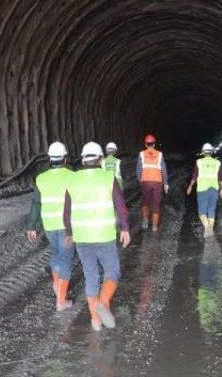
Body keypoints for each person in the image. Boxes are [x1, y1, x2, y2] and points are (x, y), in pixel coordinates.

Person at [65, 142, 131, 331]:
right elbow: (120, 206)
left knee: (91, 276)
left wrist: (69, 233)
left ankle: (95, 321)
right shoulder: (108, 177)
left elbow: (66, 211)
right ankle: (103, 302)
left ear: (83, 159)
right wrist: (125, 228)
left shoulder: (72, 179)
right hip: (104, 235)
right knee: (112, 272)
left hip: (83, 238)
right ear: (101, 159)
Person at [26, 141, 75, 311]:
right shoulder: (71, 176)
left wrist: (32, 226)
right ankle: (61, 301)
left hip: (49, 225)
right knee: (67, 259)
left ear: (49, 158)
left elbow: (36, 203)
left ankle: (56, 284)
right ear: (64, 158)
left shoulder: (41, 178)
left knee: (56, 253)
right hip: (66, 225)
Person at [186, 143, 222, 237]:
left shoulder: (199, 162)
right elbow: (220, 177)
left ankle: (207, 227)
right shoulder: (217, 162)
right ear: (211, 152)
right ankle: (210, 229)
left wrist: (190, 186)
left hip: (202, 189)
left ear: (203, 152)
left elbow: (195, 176)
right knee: (211, 210)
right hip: (214, 189)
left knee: (202, 211)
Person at [136, 134, 169, 233]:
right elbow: (164, 170)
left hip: (145, 182)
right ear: (154, 144)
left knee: (145, 202)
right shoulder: (159, 154)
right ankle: (154, 227)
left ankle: (145, 220)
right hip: (157, 183)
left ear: (146, 144)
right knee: (156, 204)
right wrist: (166, 183)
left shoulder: (141, 154)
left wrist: (140, 180)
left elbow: (138, 169)